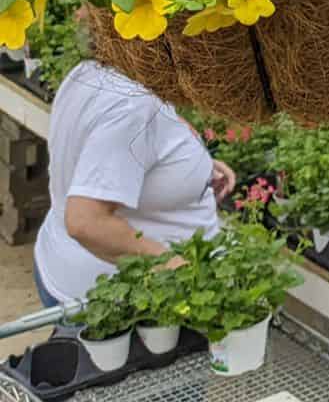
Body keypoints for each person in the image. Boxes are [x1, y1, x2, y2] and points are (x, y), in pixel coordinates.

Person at [33, 58, 235, 307]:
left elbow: (116, 139)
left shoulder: (89, 72)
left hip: (60, 262)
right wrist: (176, 267)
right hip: (128, 300)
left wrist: (192, 162)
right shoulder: (132, 104)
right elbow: (85, 223)